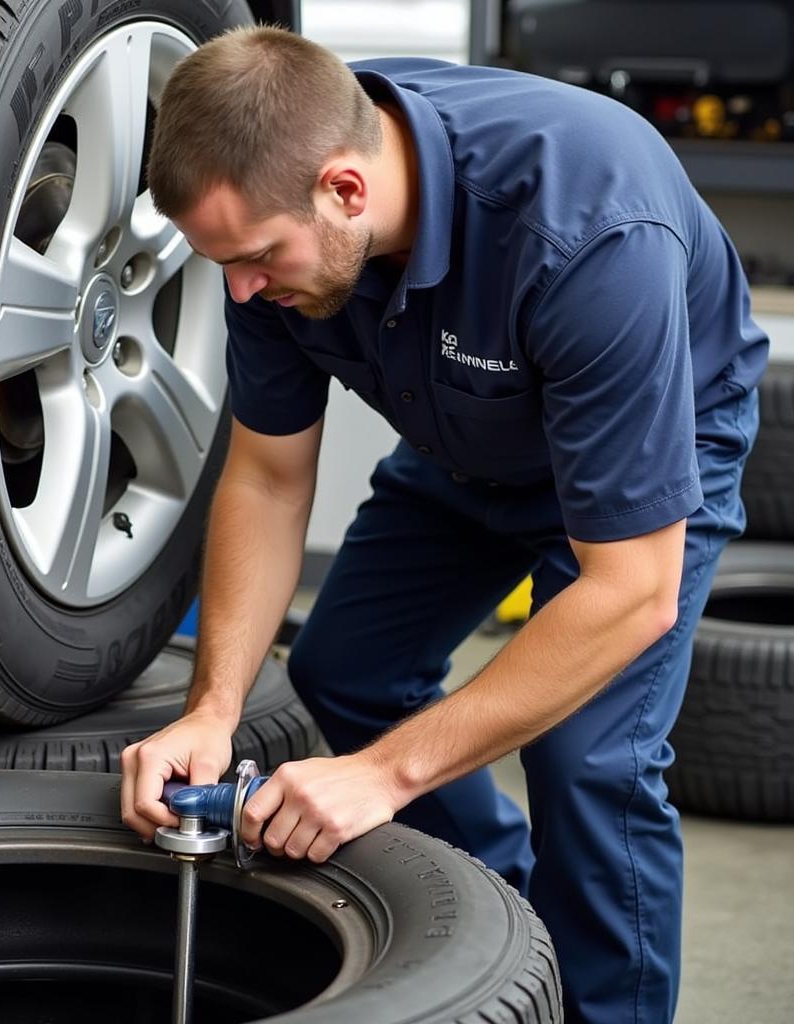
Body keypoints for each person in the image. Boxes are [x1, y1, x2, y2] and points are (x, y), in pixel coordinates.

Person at [120, 26, 768, 1024]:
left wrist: (382, 776)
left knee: (589, 756)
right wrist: (213, 707)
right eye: (224, 266)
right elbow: (267, 474)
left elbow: (631, 592)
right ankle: (511, 921)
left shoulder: (589, 229)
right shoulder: (267, 212)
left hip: (645, 451)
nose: (240, 291)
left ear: (345, 190)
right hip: (466, 439)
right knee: (343, 670)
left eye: (253, 260)